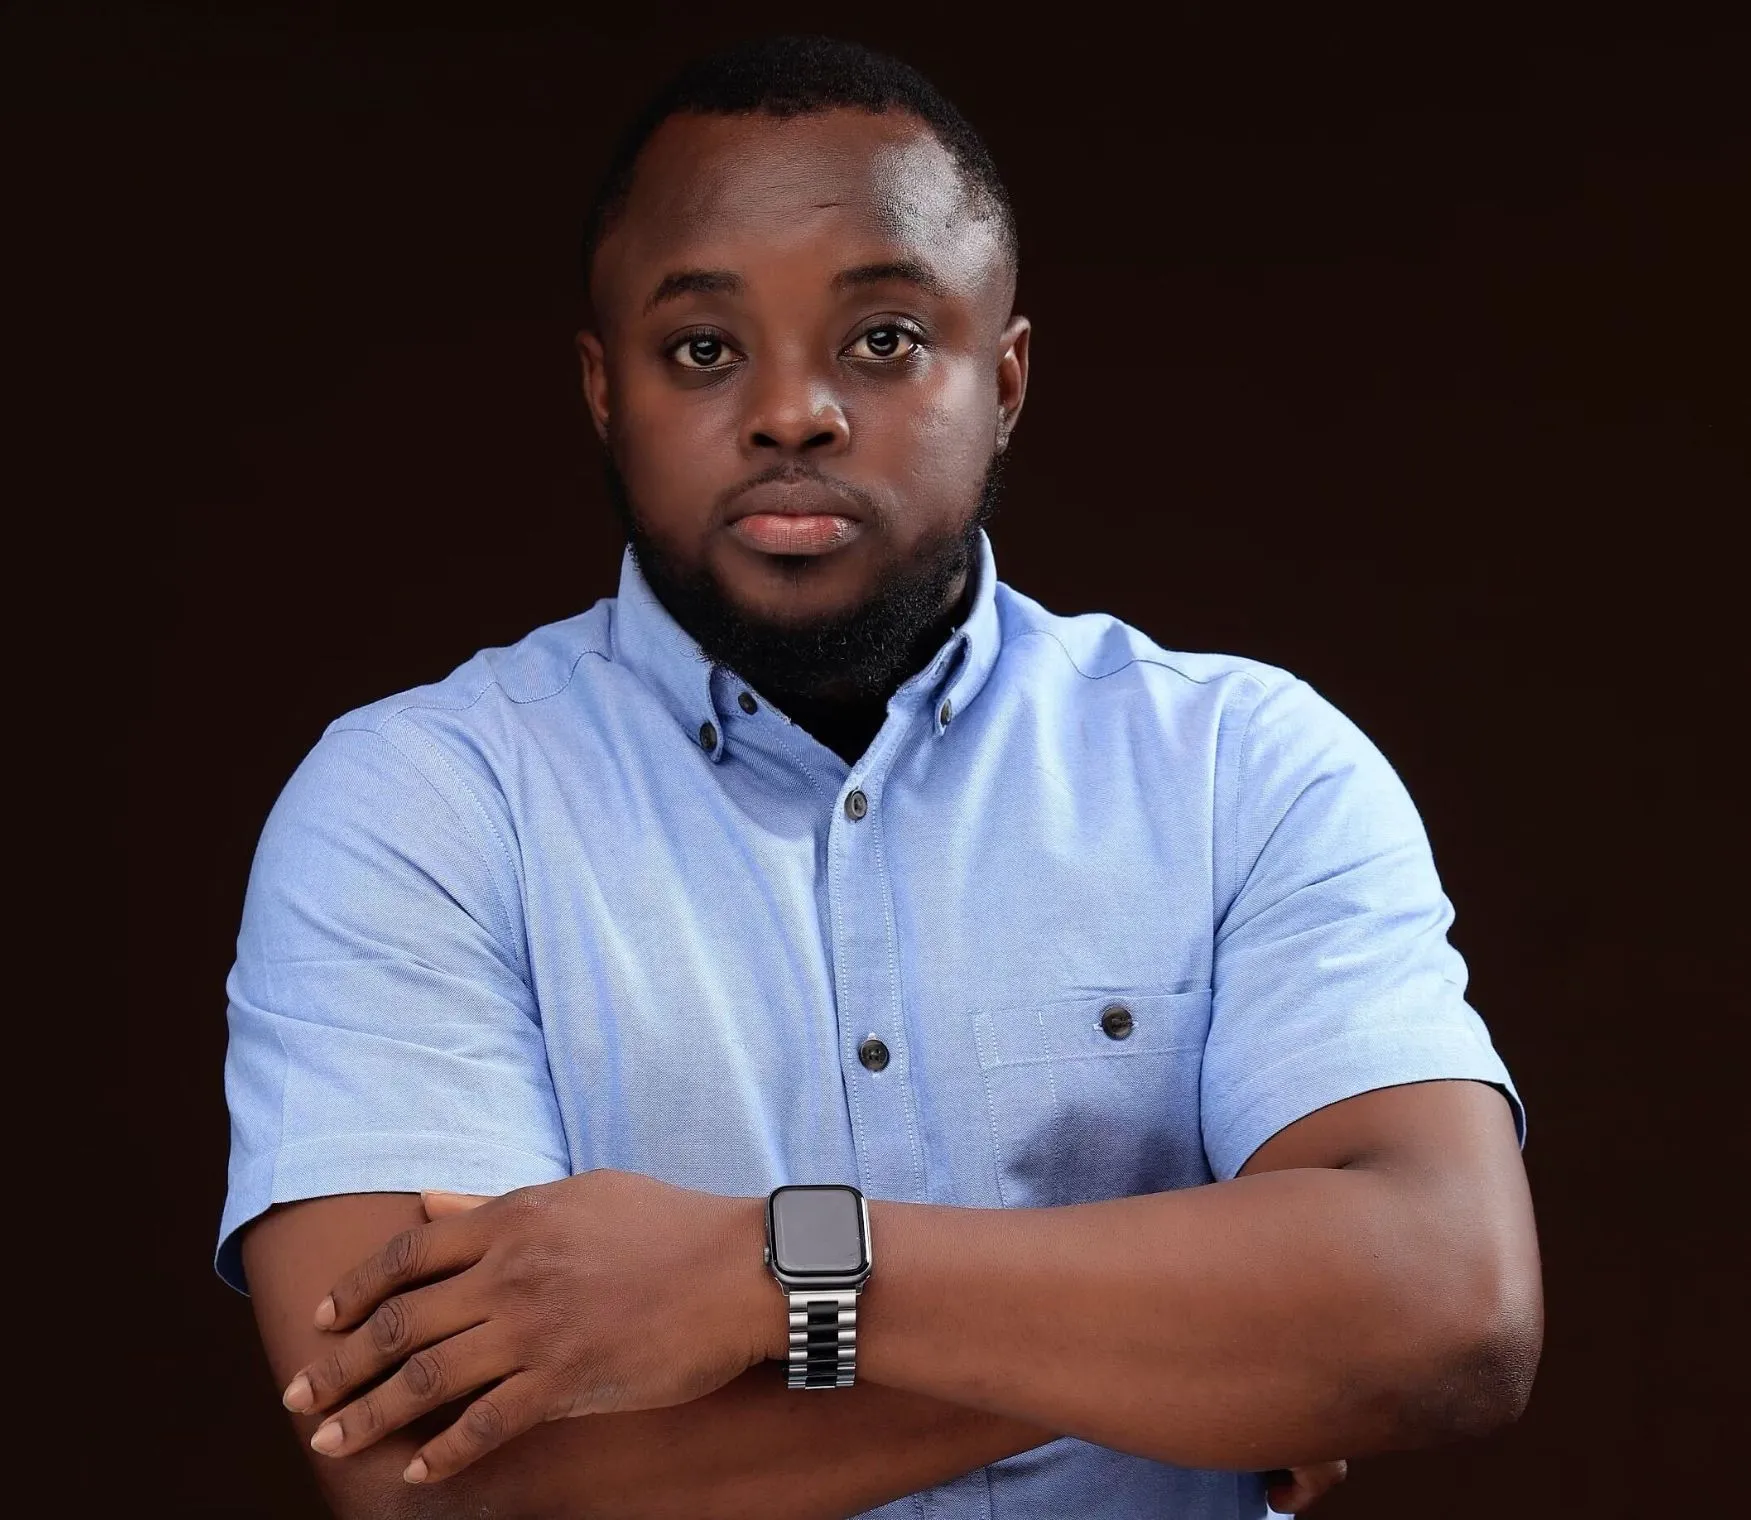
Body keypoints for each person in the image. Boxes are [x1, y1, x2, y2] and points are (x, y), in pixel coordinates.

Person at [219, 34, 1542, 1520]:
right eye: (703, 350)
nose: (793, 413)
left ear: (1007, 379)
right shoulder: (415, 807)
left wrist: (753, 1274)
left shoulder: (1246, 765)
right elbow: (433, 1477)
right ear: (602, 391)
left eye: (886, 340)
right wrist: (1210, 1348)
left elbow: (1450, 1312)